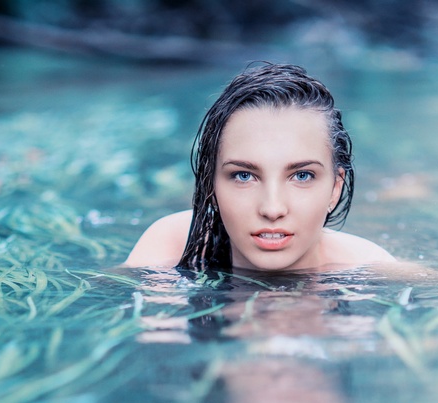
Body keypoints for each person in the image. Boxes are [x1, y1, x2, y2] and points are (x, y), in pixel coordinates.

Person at [124, 63, 396, 271]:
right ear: (211, 185)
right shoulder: (172, 247)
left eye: (302, 175)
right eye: (244, 176)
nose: (272, 209)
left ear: (335, 188)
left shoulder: (368, 268)